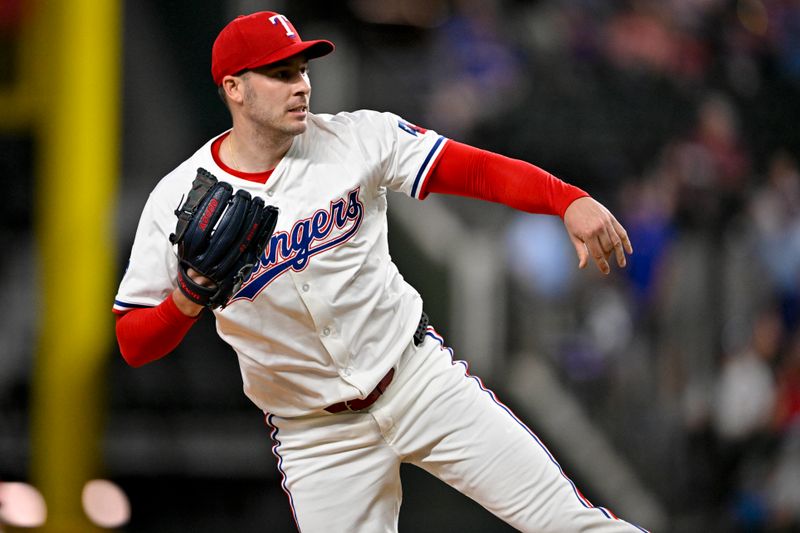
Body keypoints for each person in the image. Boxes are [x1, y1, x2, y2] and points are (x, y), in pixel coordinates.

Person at [113, 11, 644, 532]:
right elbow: (133, 342)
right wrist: (188, 297)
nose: (300, 86)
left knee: (570, 525)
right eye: (279, 74)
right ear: (234, 88)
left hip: (418, 382)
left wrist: (567, 200)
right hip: (318, 437)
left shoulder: (359, 138)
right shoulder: (176, 201)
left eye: (302, 70)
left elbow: (476, 169)